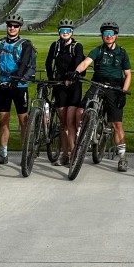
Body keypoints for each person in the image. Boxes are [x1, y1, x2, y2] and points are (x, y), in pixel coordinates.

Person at [73, 21, 132, 171]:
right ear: (102, 36)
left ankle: (123, 158)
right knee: (80, 110)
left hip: (115, 88)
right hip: (97, 85)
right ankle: (81, 136)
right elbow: (86, 62)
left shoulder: (122, 53)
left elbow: (128, 74)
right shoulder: (98, 50)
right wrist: (77, 71)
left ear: (116, 36)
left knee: (116, 124)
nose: (108, 36)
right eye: (105, 34)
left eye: (111, 34)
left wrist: (123, 92)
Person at [0, 14, 37, 167]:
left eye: (15, 26)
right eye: (10, 25)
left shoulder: (26, 44)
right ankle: (3, 154)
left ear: (19, 28)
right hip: (3, 85)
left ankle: (26, 154)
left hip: (19, 86)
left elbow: (24, 64)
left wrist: (17, 78)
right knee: (3, 121)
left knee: (23, 122)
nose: (12, 28)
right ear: (6, 27)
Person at [45, 18, 86, 166]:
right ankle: (65, 154)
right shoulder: (55, 45)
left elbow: (78, 63)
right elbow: (48, 62)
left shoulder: (77, 46)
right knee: (62, 123)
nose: (65, 33)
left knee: (70, 122)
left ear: (72, 32)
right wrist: (51, 79)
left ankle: (73, 153)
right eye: (62, 31)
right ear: (59, 32)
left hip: (73, 86)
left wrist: (71, 77)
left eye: (68, 31)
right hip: (60, 86)